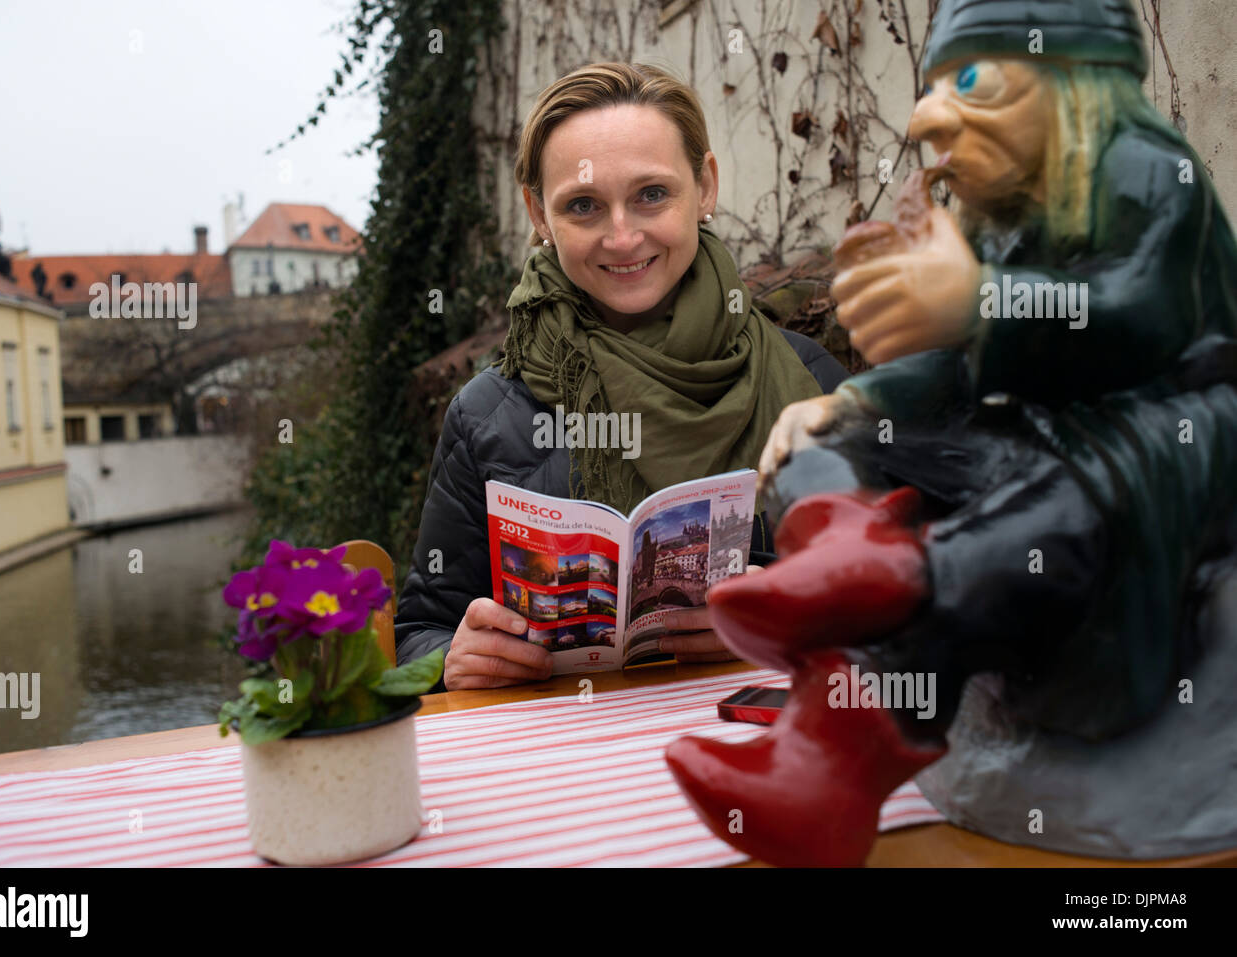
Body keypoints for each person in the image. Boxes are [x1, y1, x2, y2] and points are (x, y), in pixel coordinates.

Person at [665, 0, 1237, 865]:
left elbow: (1143, 322)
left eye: (970, 81)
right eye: (932, 86)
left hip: (1168, 427)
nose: (929, 115)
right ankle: (846, 583)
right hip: (1039, 425)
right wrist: (851, 406)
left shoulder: (1148, 172)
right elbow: (963, 372)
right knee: (820, 445)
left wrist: (980, 301)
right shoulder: (996, 210)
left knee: (1056, 506)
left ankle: (880, 631)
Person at [394, 62, 849, 690]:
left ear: (705, 187)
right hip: (569, 771)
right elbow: (421, 629)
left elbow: (904, 593)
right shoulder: (486, 414)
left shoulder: (807, 377)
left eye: (652, 195)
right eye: (583, 205)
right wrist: (452, 659)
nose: (622, 235)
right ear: (540, 215)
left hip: (757, 751)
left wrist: (782, 617)